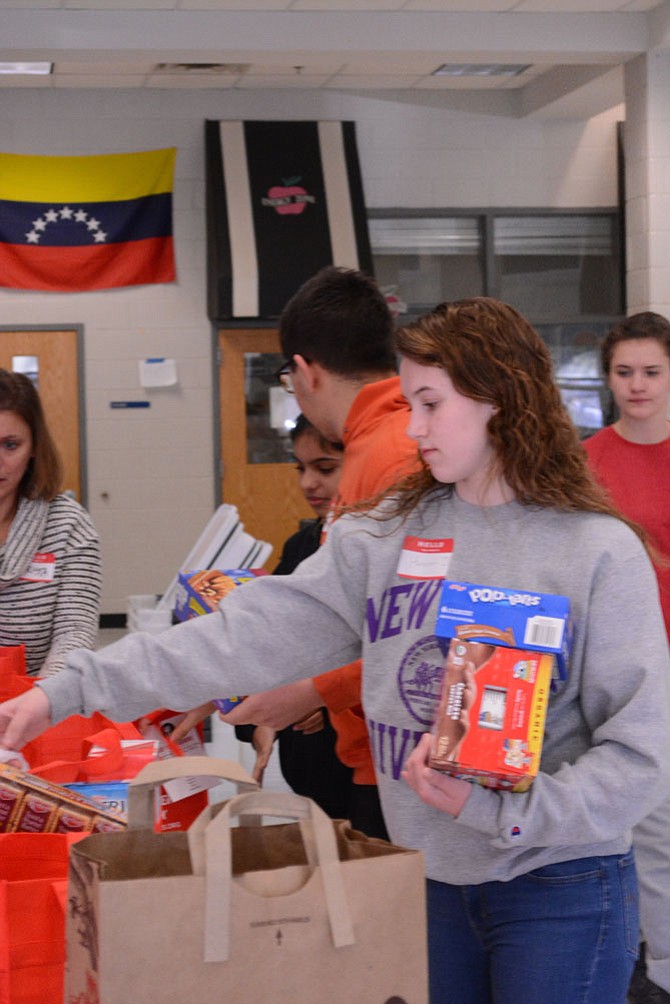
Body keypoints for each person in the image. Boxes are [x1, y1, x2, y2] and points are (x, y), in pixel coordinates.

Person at [2, 297, 669, 1003]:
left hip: (559, 885)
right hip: (429, 876)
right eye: (408, 403)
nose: (413, 428)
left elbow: (641, 755)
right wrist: (63, 692)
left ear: (499, 397)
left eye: (430, 404)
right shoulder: (387, 535)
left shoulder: (596, 550)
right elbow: (244, 633)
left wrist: (508, 814)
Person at [175, 265, 419, 839]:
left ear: (303, 373)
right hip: (384, 749)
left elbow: (410, 634)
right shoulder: (387, 443)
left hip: (398, 758)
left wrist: (312, 690)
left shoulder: (385, 456)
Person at [583, 312, 670, 1004]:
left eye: (651, 371)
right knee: (644, 827)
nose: (637, 385)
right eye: (624, 371)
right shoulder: (586, 461)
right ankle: (653, 972)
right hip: (619, 667)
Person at [236, 413, 355, 820]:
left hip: (359, 773)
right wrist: (263, 720)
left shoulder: (375, 549)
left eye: (325, 469)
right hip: (309, 770)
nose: (308, 483)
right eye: (300, 469)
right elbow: (277, 647)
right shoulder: (301, 545)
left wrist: (327, 698)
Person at [0, 369, 101, 677]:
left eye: (10, 445)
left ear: (34, 449)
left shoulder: (69, 526)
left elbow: (74, 634)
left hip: (29, 710)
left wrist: (41, 702)